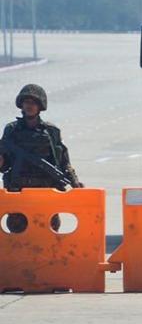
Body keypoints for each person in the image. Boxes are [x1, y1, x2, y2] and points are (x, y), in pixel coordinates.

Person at [0, 84, 83, 233]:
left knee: (49, 230)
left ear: (40, 106)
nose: (29, 106)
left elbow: (64, 161)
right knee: (17, 232)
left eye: (33, 103)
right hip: (19, 191)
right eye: (26, 102)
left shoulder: (51, 132)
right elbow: (4, 163)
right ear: (21, 105)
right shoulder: (11, 130)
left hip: (46, 192)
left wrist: (75, 183)